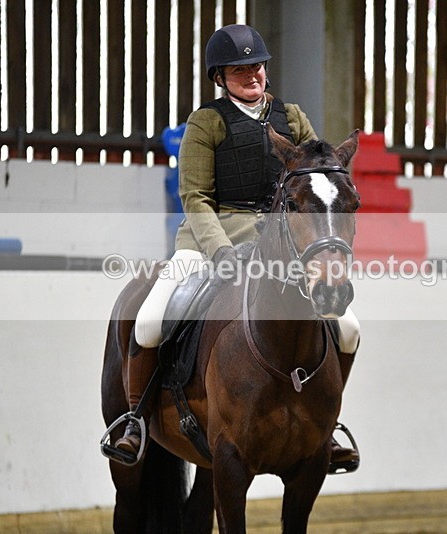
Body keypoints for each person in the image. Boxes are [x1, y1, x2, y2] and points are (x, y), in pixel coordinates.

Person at [109, 24, 360, 472]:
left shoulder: (293, 117)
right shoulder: (206, 122)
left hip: (281, 245)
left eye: (258, 67)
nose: (253, 76)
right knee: (149, 319)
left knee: (350, 327)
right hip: (208, 243)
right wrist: (221, 252)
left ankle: (328, 423)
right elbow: (194, 197)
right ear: (220, 76)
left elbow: (316, 176)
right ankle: (134, 419)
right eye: (241, 69)